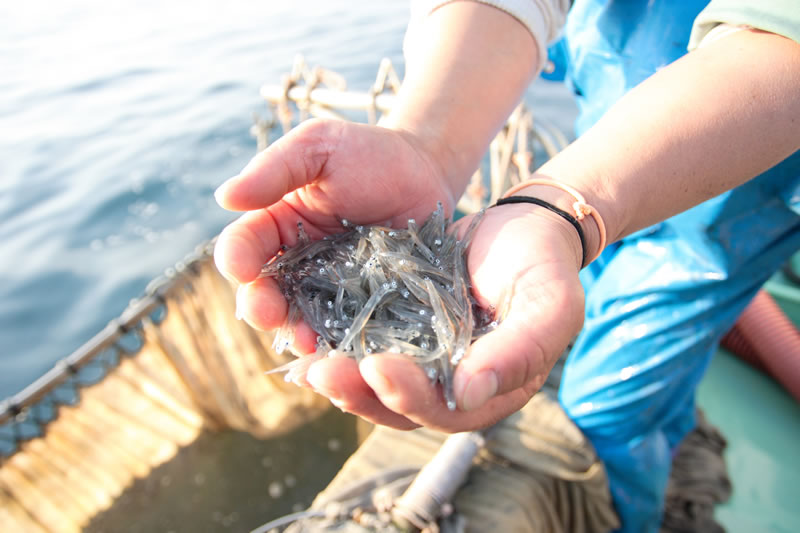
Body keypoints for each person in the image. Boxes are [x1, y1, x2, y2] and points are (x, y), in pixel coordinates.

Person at [213, 1, 800, 531]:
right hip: (612, 125)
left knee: (613, 404)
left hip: (749, 175)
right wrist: (427, 142)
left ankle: (630, 510)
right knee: (579, 286)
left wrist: (565, 207)